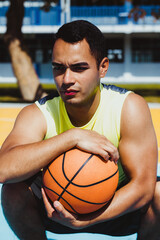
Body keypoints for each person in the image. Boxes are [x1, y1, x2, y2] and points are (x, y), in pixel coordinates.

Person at [0, 20, 159, 240]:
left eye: (79, 68)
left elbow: (143, 188)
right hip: (55, 211)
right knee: (13, 190)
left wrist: (85, 221)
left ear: (102, 67)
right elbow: (3, 169)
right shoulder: (38, 113)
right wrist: (72, 137)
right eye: (58, 68)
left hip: (116, 211)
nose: (67, 79)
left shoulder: (127, 108)